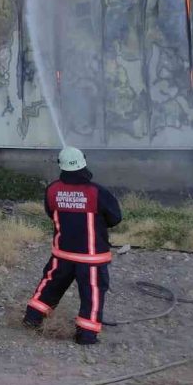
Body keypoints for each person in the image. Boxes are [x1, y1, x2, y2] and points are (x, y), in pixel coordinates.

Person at [23, 147, 122, 345]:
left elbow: (51, 212)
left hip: (63, 254)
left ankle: (32, 319)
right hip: (91, 258)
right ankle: (86, 335)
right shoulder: (97, 192)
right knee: (91, 294)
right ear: (84, 163)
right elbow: (115, 218)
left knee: (50, 285)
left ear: (61, 166)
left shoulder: (52, 189)